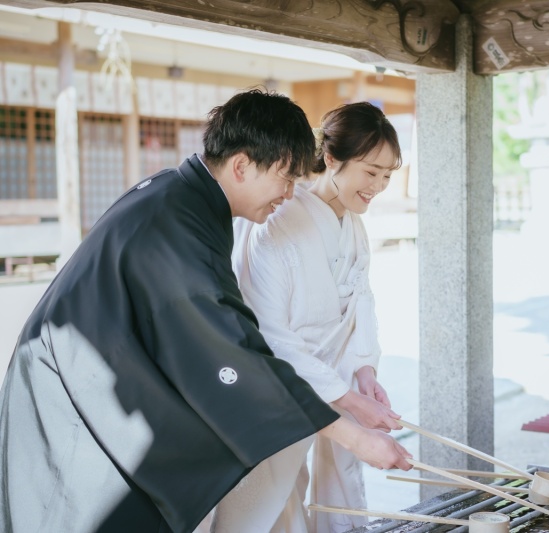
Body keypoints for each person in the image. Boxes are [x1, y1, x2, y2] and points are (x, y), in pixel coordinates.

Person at [0, 89, 411, 533]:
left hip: (93, 377)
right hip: (74, 393)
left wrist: (356, 379)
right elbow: (234, 350)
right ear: (241, 165)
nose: (290, 194)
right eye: (285, 179)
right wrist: (351, 434)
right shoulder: (179, 225)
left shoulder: (181, 199)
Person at [214, 102, 403, 532]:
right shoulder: (274, 221)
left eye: (388, 176)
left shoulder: (353, 224)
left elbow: (362, 300)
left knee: (342, 486)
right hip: (281, 378)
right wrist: (347, 397)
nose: (378, 186)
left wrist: (365, 369)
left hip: (337, 370)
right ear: (332, 158)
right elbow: (271, 334)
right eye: (370, 172)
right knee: (273, 495)